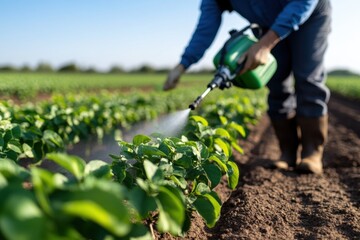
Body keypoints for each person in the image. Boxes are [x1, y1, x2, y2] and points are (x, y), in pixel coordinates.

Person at [163, 0, 332, 174]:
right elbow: (205, 28)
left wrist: (266, 44)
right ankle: (287, 153)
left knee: (308, 79)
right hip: (268, 25)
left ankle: (312, 153)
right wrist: (182, 65)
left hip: (310, 16)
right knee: (276, 84)